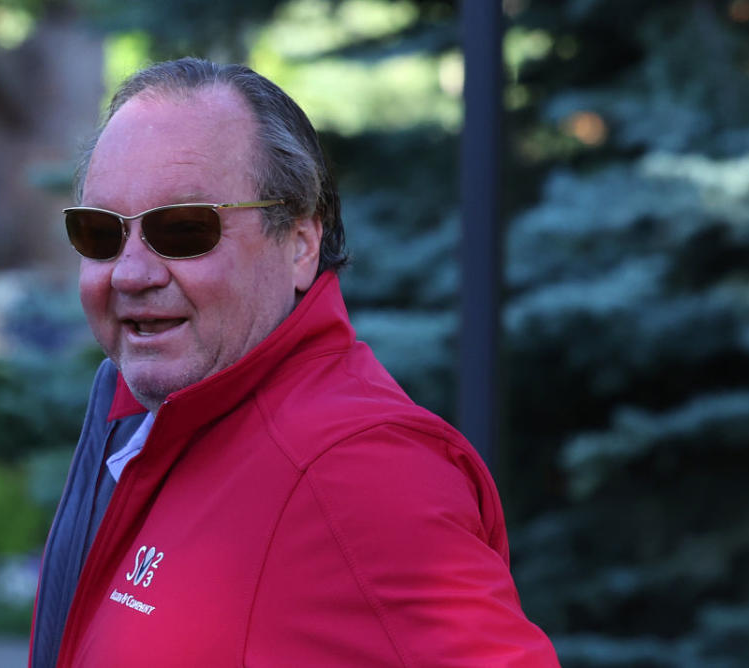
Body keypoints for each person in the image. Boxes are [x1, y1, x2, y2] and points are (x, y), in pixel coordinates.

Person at [29, 57, 559, 668]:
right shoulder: (141, 421)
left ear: (301, 243)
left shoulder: (360, 467)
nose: (131, 273)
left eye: (183, 229)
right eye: (100, 233)